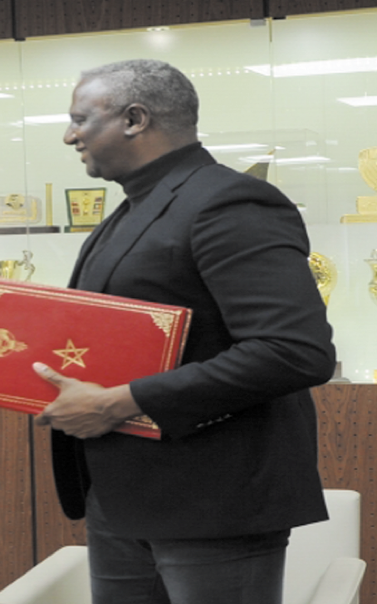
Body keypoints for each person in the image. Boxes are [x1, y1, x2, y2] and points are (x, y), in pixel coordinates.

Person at [25, 59, 335, 603]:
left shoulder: (229, 201)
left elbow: (293, 351)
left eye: (79, 118)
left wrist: (120, 402)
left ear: (135, 118)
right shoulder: (133, 209)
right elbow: (101, 338)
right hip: (122, 498)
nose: (70, 134)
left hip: (213, 505)